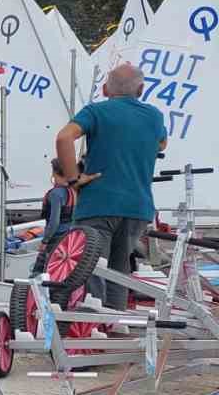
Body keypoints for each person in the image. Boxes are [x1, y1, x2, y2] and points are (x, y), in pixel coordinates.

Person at [54, 62, 167, 311]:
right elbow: (161, 145)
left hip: (98, 203)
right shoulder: (155, 116)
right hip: (138, 206)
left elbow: (64, 138)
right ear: (140, 90)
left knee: (93, 266)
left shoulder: (96, 112)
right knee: (120, 267)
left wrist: (74, 179)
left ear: (105, 90)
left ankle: (92, 324)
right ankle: (116, 321)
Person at [32, 157, 98, 273]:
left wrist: (45, 241)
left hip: (55, 237)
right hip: (68, 236)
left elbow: (54, 222)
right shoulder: (72, 191)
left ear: (54, 172)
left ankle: (32, 291)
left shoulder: (56, 194)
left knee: (39, 270)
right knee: (57, 270)